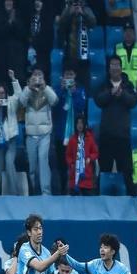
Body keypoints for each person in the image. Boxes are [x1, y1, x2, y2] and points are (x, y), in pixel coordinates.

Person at [95, 55, 137, 194]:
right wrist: (111, 93)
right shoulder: (104, 84)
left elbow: (133, 101)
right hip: (106, 135)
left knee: (126, 171)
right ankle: (100, 198)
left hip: (122, 136)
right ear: (109, 68)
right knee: (104, 169)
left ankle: (130, 199)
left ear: (121, 67)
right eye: (112, 65)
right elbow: (98, 100)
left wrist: (122, 94)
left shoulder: (128, 85)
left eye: (117, 65)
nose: (115, 67)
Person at [20, 68, 58, 195]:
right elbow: (21, 103)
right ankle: (33, 190)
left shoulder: (48, 90)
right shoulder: (27, 91)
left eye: (40, 75)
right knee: (32, 166)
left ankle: (46, 192)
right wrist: (29, 88)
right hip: (31, 135)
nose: (37, 78)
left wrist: (44, 87)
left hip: (45, 134)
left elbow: (55, 101)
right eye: (35, 75)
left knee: (43, 162)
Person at [0, 69, 21, 194]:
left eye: (3, 93)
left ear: (6, 93)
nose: (1, 95)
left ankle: (15, 194)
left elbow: (19, 96)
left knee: (9, 164)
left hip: (10, 140)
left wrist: (13, 80)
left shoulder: (11, 101)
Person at [53, 64, 86, 194]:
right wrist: (61, 91)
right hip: (61, 134)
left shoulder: (80, 90)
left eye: (71, 75)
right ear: (63, 77)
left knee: (75, 163)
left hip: (75, 134)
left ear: (75, 76)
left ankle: (75, 188)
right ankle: (62, 188)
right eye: (67, 75)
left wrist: (74, 93)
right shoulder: (57, 89)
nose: (69, 78)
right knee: (62, 164)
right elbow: (54, 106)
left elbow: (81, 107)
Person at [58, 0, 96, 91]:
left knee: (84, 86)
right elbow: (60, 25)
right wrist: (70, 14)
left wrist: (82, 13)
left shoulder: (86, 9)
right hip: (69, 56)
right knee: (68, 87)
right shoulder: (67, 9)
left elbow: (93, 23)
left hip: (83, 56)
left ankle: (83, 99)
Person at [0, 0, 28, 86]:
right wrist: (9, 22)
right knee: (2, 81)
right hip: (2, 56)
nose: (8, 3)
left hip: (16, 57)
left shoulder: (19, 15)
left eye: (10, 1)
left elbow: (23, 33)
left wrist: (14, 21)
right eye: (6, 1)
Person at [65, 115, 98, 195]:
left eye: (81, 123)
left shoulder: (90, 138)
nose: (79, 125)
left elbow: (95, 152)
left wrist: (90, 158)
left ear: (85, 125)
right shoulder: (72, 139)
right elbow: (68, 155)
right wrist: (71, 164)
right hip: (74, 179)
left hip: (87, 178)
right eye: (78, 123)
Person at [114, 22, 137, 98]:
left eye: (130, 31)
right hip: (121, 90)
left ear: (134, 34)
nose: (128, 34)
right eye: (126, 31)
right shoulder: (117, 48)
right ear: (123, 34)